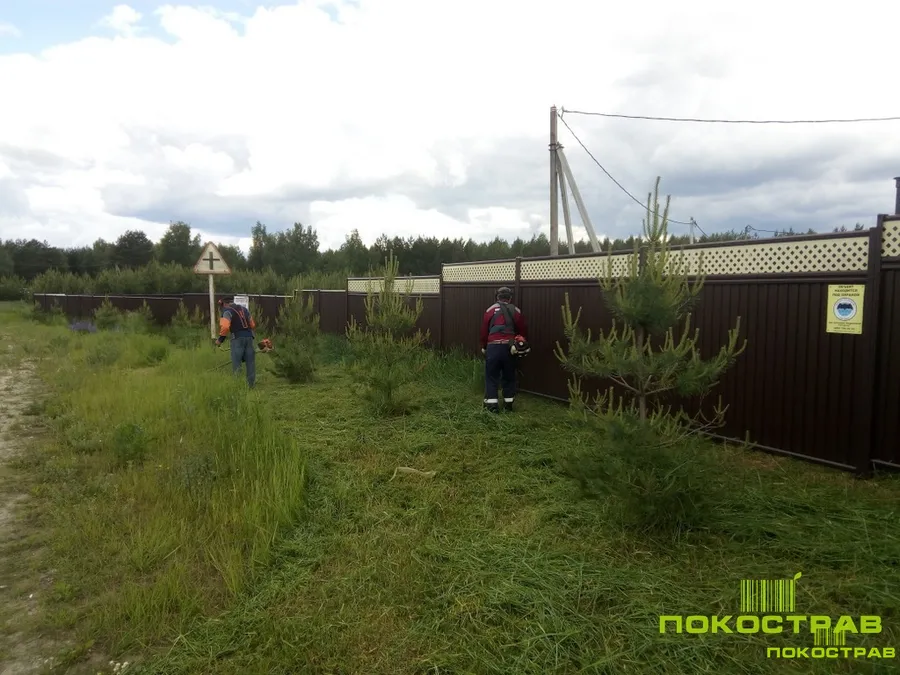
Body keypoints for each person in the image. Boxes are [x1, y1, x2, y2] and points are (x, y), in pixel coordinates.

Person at [479, 286, 528, 412]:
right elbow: (522, 331)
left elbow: (484, 332)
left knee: (491, 376)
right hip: (509, 348)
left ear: (497, 297)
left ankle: (492, 406)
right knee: (509, 376)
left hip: (493, 347)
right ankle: (508, 405)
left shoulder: (490, 310)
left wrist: (484, 346)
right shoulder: (516, 311)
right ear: (510, 298)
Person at [214, 296, 257, 388]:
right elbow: (252, 324)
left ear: (224, 304)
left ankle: (238, 386)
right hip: (249, 337)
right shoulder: (244, 309)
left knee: (237, 364)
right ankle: (251, 386)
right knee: (250, 363)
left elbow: (225, 327)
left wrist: (220, 340)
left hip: (237, 339)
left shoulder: (227, 311)